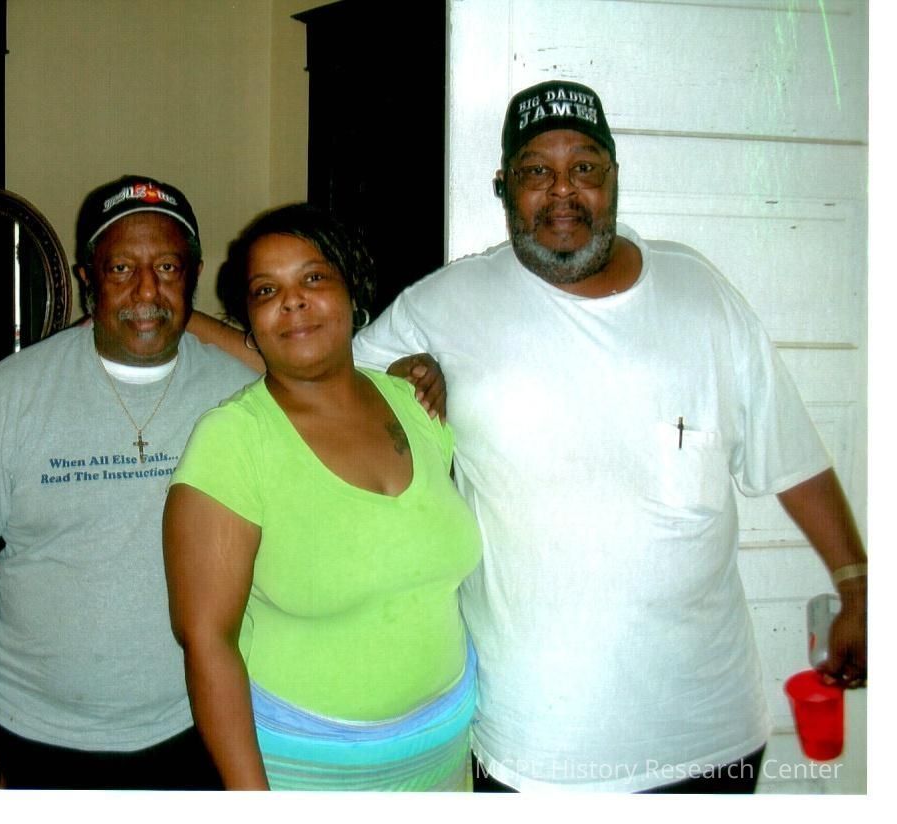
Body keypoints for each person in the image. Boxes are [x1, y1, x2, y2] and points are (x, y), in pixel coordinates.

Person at [350, 80, 868, 793]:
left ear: (614, 178)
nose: (562, 191)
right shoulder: (445, 304)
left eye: (585, 168)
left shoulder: (701, 293)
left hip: (714, 734)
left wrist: (856, 584)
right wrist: (395, 379)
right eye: (537, 170)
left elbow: (792, 455)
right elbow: (319, 383)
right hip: (539, 751)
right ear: (503, 185)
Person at [0, 174, 259, 789]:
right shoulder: (9, 396)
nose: (145, 291)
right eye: (121, 269)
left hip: (198, 726)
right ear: (87, 277)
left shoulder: (239, 393)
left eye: (167, 267)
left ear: (193, 276)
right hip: (31, 733)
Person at [163, 203, 482, 791]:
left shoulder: (417, 405)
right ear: (249, 321)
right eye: (266, 290)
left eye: (313, 278)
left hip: (444, 754)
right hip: (308, 768)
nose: (293, 301)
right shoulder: (233, 440)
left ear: (352, 292)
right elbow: (207, 643)